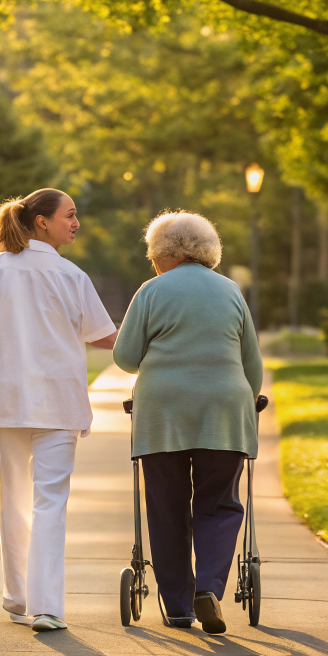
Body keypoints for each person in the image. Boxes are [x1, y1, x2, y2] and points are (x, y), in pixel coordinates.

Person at [0, 188, 117, 632]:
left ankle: (18, 595)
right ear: (42, 221)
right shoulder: (71, 275)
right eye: (70, 215)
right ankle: (46, 607)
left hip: (4, 401)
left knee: (15, 497)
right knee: (50, 502)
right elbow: (105, 337)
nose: (76, 223)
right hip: (58, 402)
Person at [113, 210, 262, 634]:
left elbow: (125, 357)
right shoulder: (231, 290)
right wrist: (250, 399)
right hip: (224, 410)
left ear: (162, 253)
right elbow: (251, 362)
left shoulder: (151, 290)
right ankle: (210, 589)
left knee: (167, 507)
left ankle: (178, 607)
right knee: (218, 503)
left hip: (162, 413)